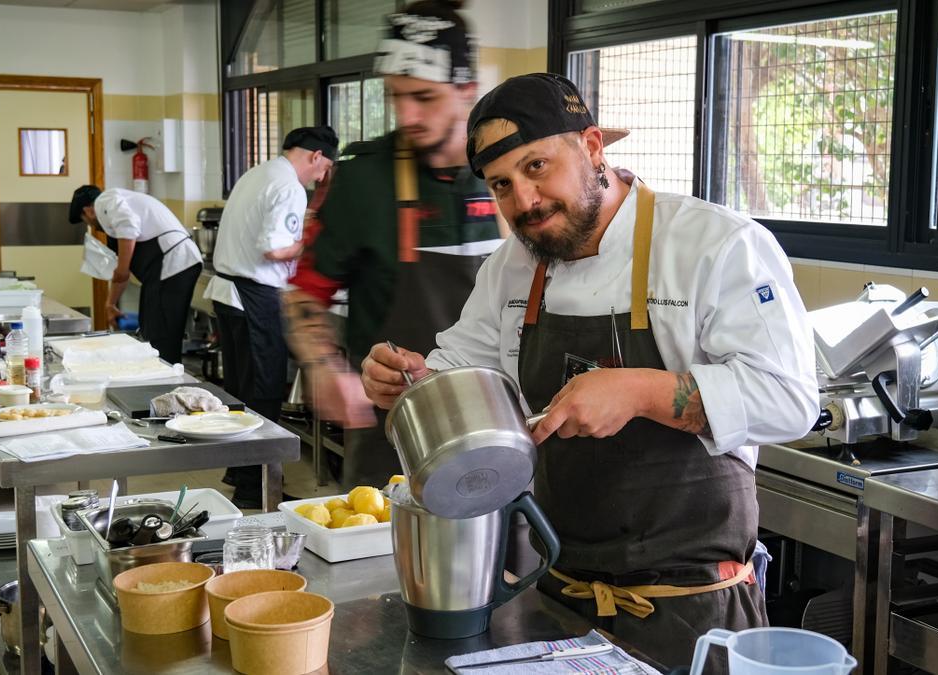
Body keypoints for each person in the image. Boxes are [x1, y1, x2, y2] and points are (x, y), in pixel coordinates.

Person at [359, 73, 818, 669]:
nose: (523, 201)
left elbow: (789, 401)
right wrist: (407, 377)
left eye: (538, 167)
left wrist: (641, 391)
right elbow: (458, 367)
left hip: (691, 612)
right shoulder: (513, 267)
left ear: (593, 147)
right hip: (555, 597)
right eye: (502, 184)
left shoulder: (716, 245)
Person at [283, 0, 507, 490]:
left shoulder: (509, 170)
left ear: (467, 89)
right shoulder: (362, 180)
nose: (407, 114)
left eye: (424, 97)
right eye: (395, 96)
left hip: (507, 430)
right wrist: (323, 368)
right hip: (396, 436)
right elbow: (303, 294)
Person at [205, 126, 338, 508]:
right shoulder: (290, 186)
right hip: (255, 297)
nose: (321, 176)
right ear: (315, 156)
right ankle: (256, 489)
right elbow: (275, 250)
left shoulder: (258, 173)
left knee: (239, 390)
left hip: (231, 294)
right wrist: (311, 239)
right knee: (262, 392)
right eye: (324, 167)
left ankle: (239, 471)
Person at [68, 185, 202, 364]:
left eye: (86, 221)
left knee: (161, 333)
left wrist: (122, 270)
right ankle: (159, 380)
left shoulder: (106, 201)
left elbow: (128, 234)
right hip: (168, 269)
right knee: (151, 327)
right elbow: (120, 272)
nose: (91, 226)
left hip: (174, 263)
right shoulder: (115, 220)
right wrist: (110, 303)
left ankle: (164, 384)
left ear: (88, 211)